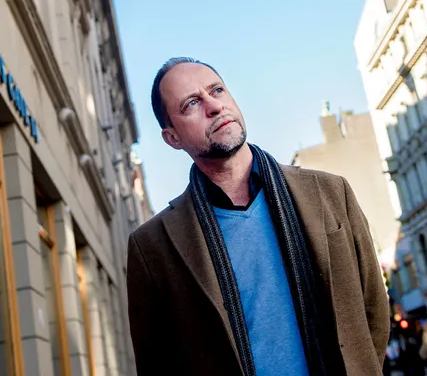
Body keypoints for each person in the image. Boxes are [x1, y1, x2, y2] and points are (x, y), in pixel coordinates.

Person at [127, 58, 390, 376]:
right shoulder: (152, 247)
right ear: (172, 138)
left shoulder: (330, 193)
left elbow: (374, 311)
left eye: (217, 90)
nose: (214, 106)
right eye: (192, 103)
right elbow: (158, 365)